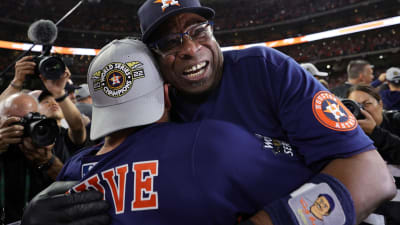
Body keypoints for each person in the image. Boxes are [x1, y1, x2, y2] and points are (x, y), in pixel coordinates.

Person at [22, 1, 396, 224]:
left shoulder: (266, 68)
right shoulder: (150, 115)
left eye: (198, 29)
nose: (189, 48)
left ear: (214, 32)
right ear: (153, 63)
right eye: (170, 41)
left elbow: (372, 176)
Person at [0, 93, 68, 224]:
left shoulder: (52, 138)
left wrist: (48, 162)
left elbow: (74, 186)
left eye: (31, 119)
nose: (25, 127)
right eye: (17, 121)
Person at [347, 84, 400, 225]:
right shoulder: (346, 134)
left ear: (381, 104)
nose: (361, 110)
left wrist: (375, 132)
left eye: (367, 104)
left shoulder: (396, 120)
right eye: (355, 105)